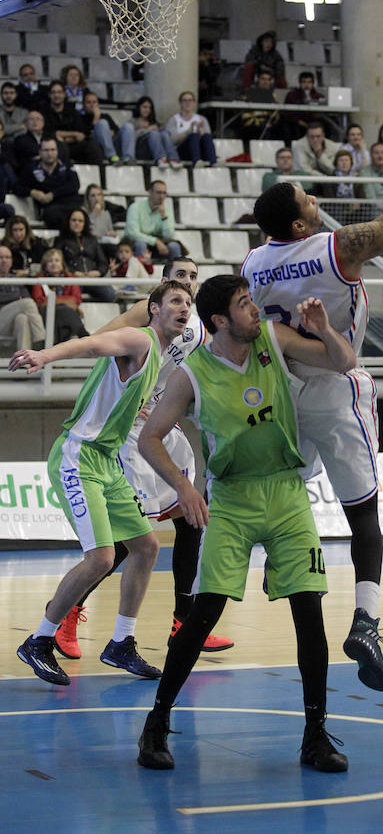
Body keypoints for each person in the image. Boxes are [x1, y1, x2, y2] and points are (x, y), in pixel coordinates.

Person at [136, 275, 355, 772]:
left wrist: (323, 329)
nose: (255, 309)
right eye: (244, 304)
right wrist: (184, 487)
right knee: (203, 613)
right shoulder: (191, 374)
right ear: (219, 320)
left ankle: (315, 734)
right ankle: (156, 723)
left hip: (285, 492)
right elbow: (150, 437)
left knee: (309, 611)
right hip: (232, 500)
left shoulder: (273, 341)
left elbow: (343, 362)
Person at [244, 165, 383, 692]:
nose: (314, 199)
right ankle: (366, 622)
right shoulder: (336, 248)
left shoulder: (252, 264)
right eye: (305, 198)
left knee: (290, 479)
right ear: (296, 226)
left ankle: (276, 557)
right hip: (337, 386)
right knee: (364, 514)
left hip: (284, 388)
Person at [11, 280, 194, 687]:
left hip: (106, 462)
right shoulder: (139, 339)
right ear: (154, 309)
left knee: (146, 547)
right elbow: (92, 344)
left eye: (188, 303)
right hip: (78, 457)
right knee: (101, 558)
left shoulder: (162, 358)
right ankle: (39, 640)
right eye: (176, 301)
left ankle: (121, 643)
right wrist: (45, 355)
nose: (184, 308)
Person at [53, 258, 234, 660]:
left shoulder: (197, 323)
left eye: (192, 277)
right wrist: (128, 396)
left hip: (161, 425)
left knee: (192, 520)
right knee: (128, 539)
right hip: (129, 433)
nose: (186, 282)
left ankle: (184, 623)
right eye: (179, 276)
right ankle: (70, 611)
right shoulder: (148, 311)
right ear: (162, 284)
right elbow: (101, 341)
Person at [14, 136, 82, 228]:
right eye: (46, 150)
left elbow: (75, 185)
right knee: (53, 214)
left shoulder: (66, 165)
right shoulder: (31, 168)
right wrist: (32, 192)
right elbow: (17, 187)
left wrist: (53, 194)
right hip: (50, 209)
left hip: (71, 204)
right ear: (40, 152)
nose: (50, 153)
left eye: (52, 150)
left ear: (57, 151)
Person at [54, 207, 115, 302]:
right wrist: (73, 272)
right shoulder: (60, 240)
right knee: (72, 297)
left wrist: (98, 272)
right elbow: (58, 261)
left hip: (92, 279)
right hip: (72, 279)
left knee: (110, 294)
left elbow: (103, 262)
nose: (77, 223)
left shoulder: (92, 240)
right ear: (68, 222)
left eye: (80, 221)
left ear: (85, 223)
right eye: (74, 220)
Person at [30, 248, 89, 343]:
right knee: (63, 309)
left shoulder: (70, 278)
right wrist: (66, 301)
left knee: (62, 311)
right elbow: (39, 301)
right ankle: (83, 335)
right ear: (45, 265)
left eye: (57, 260)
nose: (54, 263)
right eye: (50, 261)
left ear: (62, 264)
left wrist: (52, 300)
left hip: (65, 315)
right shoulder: (39, 279)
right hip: (45, 313)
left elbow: (76, 300)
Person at [42, 80, 104, 166]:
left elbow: (81, 134)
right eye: (53, 92)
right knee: (62, 147)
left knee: (92, 146)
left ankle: (100, 177)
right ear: (49, 95)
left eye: (59, 92)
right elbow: (51, 133)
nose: (56, 95)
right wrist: (73, 134)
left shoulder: (72, 111)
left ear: (64, 94)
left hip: (73, 145)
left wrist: (65, 136)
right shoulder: (44, 112)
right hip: (53, 147)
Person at [0, 244, 45, 349]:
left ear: (11, 261)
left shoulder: (16, 279)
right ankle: (42, 340)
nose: (4, 260)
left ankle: (23, 360)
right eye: (1, 257)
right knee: (27, 303)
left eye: (7, 257)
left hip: (11, 323)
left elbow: (25, 296)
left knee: (22, 318)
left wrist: (15, 300)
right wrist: (16, 298)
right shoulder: (18, 279)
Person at [124, 180, 182, 262]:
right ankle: (139, 274)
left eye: (164, 193)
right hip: (137, 244)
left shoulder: (167, 210)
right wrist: (155, 241)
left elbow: (169, 236)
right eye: (158, 192)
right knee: (141, 245)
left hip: (157, 247)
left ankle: (177, 273)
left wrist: (164, 216)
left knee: (174, 246)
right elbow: (133, 234)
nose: (162, 196)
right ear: (150, 192)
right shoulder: (135, 208)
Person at [81, 92, 135, 164]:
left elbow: (116, 129)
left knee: (128, 126)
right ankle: (111, 156)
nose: (92, 105)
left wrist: (112, 132)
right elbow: (85, 135)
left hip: (112, 143)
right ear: (84, 105)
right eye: (88, 102)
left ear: (98, 104)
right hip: (96, 146)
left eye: (94, 102)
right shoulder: (81, 118)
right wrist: (96, 118)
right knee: (102, 123)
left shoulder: (105, 116)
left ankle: (128, 158)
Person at [165, 91, 215, 168]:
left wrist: (200, 133)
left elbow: (207, 138)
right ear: (180, 103)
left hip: (200, 150)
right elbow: (171, 140)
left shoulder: (202, 119)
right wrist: (188, 132)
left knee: (206, 136)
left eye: (190, 100)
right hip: (182, 151)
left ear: (194, 103)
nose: (187, 103)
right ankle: (196, 161)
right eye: (184, 100)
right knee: (193, 136)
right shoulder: (173, 119)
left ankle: (213, 162)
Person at [237, 72, 283, 146]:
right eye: (263, 79)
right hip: (252, 127)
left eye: (268, 79)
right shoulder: (249, 94)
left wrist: (271, 124)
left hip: (268, 126)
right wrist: (261, 124)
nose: (266, 82)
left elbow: (276, 114)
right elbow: (245, 116)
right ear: (257, 80)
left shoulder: (272, 96)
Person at [321, 149, 364, 226]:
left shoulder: (357, 178)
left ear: (351, 163)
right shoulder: (330, 179)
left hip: (355, 210)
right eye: (341, 160)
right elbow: (330, 199)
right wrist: (346, 204)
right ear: (336, 163)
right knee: (337, 210)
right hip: (337, 209)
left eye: (347, 160)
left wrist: (358, 202)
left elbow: (362, 196)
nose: (344, 163)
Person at [283, 71, 326, 141]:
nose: (306, 85)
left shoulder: (319, 96)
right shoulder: (291, 95)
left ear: (313, 84)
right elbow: (288, 114)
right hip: (297, 124)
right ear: (300, 83)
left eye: (309, 82)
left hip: (314, 124)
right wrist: (301, 122)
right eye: (304, 82)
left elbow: (322, 114)